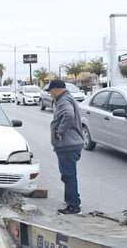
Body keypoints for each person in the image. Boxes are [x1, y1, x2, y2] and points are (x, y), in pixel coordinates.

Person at [47, 79, 84, 215]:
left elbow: (68, 115)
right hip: (73, 143)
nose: (51, 95)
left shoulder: (63, 101)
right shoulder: (68, 98)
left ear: (56, 90)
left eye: (51, 92)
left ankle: (74, 206)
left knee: (68, 176)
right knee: (69, 175)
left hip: (68, 145)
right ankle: (70, 199)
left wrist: (60, 131)